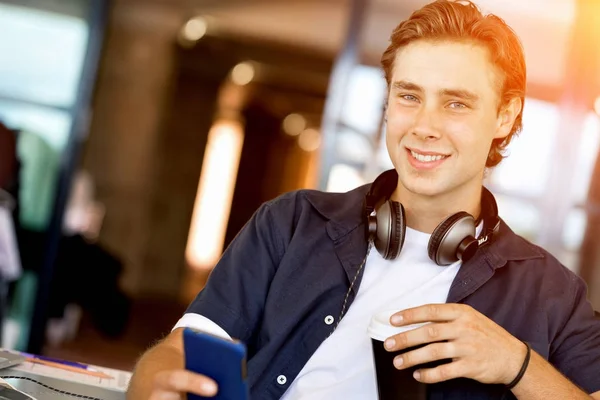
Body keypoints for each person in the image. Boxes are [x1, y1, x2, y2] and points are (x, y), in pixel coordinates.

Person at [127, 1, 600, 399]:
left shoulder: (552, 294)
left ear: (504, 115)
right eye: (409, 96)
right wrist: (152, 378)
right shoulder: (291, 223)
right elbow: (187, 345)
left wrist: (517, 364)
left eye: (456, 103)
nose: (424, 126)